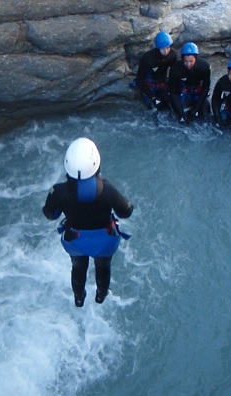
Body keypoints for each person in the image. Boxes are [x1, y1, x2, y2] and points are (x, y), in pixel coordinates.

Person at [43, 138, 134, 307]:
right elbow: (125, 211)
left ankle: (79, 298)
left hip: (75, 239)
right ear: (96, 165)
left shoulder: (59, 192)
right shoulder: (108, 190)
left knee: (78, 267)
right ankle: (100, 296)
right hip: (104, 240)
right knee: (103, 267)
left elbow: (50, 214)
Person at [168, 42, 211, 124]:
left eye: (191, 61)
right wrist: (181, 114)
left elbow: (205, 88)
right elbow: (173, 92)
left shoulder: (204, 67)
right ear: (182, 59)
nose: (188, 64)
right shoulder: (175, 68)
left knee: (205, 115)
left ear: (196, 59)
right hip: (184, 92)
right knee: (178, 113)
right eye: (185, 61)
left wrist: (196, 109)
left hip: (198, 92)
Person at [134, 31, 177, 111]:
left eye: (168, 47)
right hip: (148, 84)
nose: (166, 51)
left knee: (170, 101)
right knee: (155, 107)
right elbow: (140, 79)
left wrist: (171, 88)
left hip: (162, 82)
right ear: (158, 48)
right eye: (163, 48)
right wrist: (152, 97)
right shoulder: (148, 58)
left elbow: (174, 74)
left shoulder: (172, 56)